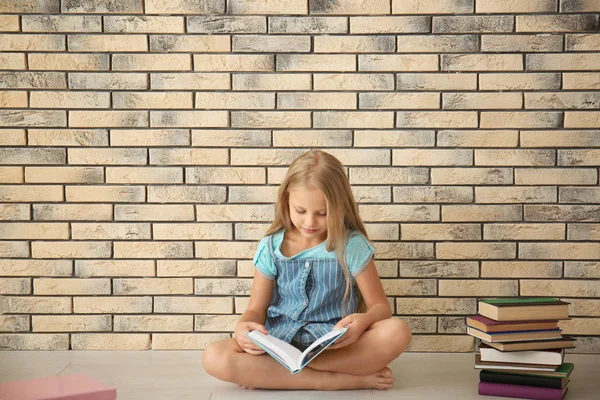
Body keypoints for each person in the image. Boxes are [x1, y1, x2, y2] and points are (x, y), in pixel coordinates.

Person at [202, 150, 412, 390]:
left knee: (398, 332)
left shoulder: (351, 246)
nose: (310, 222)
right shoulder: (271, 247)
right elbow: (255, 309)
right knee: (214, 356)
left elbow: (381, 308)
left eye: (323, 213)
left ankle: (278, 375)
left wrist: (364, 320)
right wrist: (243, 327)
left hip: (334, 345)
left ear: (340, 207)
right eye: (300, 211)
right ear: (286, 202)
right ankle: (335, 380)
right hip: (281, 342)